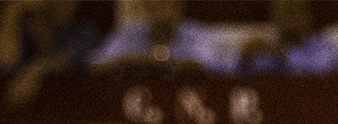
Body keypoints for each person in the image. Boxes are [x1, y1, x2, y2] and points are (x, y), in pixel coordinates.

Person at [90, 0, 236, 74]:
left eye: (165, 6)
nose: (160, 14)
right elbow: (95, 65)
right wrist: (124, 61)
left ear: (178, 7)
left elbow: (215, 67)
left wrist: (170, 64)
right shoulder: (128, 34)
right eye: (155, 8)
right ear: (146, 8)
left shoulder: (197, 35)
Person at [239, 0, 338, 75]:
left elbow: (320, 69)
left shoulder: (323, 45)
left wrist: (283, 56)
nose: (288, 19)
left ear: (308, 16)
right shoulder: (267, 49)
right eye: (283, 12)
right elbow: (251, 74)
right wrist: (245, 58)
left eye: (293, 12)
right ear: (273, 18)